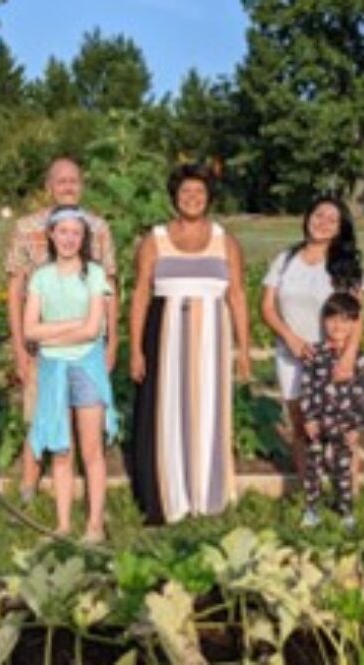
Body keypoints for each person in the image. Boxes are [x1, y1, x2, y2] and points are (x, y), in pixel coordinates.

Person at [129, 163, 251, 525]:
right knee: (166, 412)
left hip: (212, 338)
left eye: (199, 192)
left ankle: (207, 493)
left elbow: (239, 296)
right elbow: (139, 295)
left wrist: (243, 350)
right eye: (185, 192)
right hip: (164, 336)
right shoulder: (155, 240)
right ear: (174, 197)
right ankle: (171, 494)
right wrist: (135, 348)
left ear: (209, 198)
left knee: (209, 412)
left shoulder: (224, 241)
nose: (192, 198)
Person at [5, 157, 119, 502]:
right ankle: (29, 482)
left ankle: (76, 490)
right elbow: (15, 291)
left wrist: (112, 341)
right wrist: (19, 348)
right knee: (41, 412)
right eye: (60, 181)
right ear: (48, 187)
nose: (68, 187)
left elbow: (110, 287)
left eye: (74, 181)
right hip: (43, 346)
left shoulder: (97, 228)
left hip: (86, 349)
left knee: (85, 416)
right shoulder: (26, 228)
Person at [23, 206, 118, 542]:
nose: (68, 239)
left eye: (75, 233)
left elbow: (94, 330)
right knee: (61, 450)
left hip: (86, 367)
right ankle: (63, 525)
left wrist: (52, 330)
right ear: (51, 235)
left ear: (83, 237)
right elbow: (29, 330)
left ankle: (94, 524)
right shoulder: (41, 277)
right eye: (62, 232)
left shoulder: (93, 274)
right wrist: (72, 326)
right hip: (53, 370)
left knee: (91, 449)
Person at [260, 195, 364, 486]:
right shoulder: (285, 260)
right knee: (301, 427)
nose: (323, 223)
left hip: (334, 359)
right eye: (318, 215)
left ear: (340, 228)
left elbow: (358, 316)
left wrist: (347, 358)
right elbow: (267, 308)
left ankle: (349, 496)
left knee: (341, 429)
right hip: (292, 357)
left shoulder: (345, 266)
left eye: (332, 220)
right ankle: (311, 492)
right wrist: (290, 339)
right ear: (307, 217)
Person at [299, 292, 364, 531]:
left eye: (345, 320)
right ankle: (311, 509)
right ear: (323, 322)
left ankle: (345, 510)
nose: (338, 326)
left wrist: (354, 426)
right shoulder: (314, 353)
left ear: (354, 324)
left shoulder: (359, 359)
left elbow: (361, 396)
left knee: (343, 469)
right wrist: (308, 418)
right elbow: (306, 387)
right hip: (318, 425)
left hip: (344, 425)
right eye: (332, 320)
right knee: (313, 469)